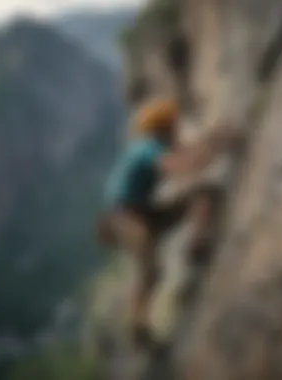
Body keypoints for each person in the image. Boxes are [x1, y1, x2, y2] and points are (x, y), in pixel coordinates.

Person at [96, 98, 237, 349]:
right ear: (164, 127)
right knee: (151, 269)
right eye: (173, 125)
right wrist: (216, 143)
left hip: (140, 212)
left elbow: (189, 155)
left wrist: (211, 140)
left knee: (204, 194)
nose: (177, 129)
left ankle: (197, 245)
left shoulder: (156, 144)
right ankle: (138, 328)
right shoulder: (147, 148)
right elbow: (185, 167)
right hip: (124, 217)